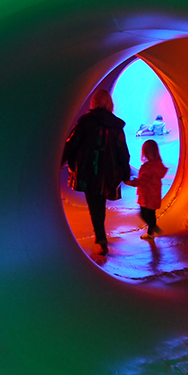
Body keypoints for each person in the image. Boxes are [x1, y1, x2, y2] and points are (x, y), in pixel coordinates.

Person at [62, 89, 130, 255]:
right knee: (101, 204)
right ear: (109, 103)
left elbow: (72, 143)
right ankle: (101, 236)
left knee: (94, 205)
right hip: (109, 172)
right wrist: (125, 171)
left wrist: (60, 162)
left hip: (89, 170)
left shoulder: (86, 121)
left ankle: (101, 238)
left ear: (94, 102)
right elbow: (122, 150)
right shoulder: (116, 125)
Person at [124, 139, 168, 240]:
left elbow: (141, 181)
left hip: (146, 196)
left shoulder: (147, 168)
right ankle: (150, 233)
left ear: (145, 153)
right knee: (152, 214)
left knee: (144, 214)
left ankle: (153, 227)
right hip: (155, 195)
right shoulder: (158, 165)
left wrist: (129, 182)